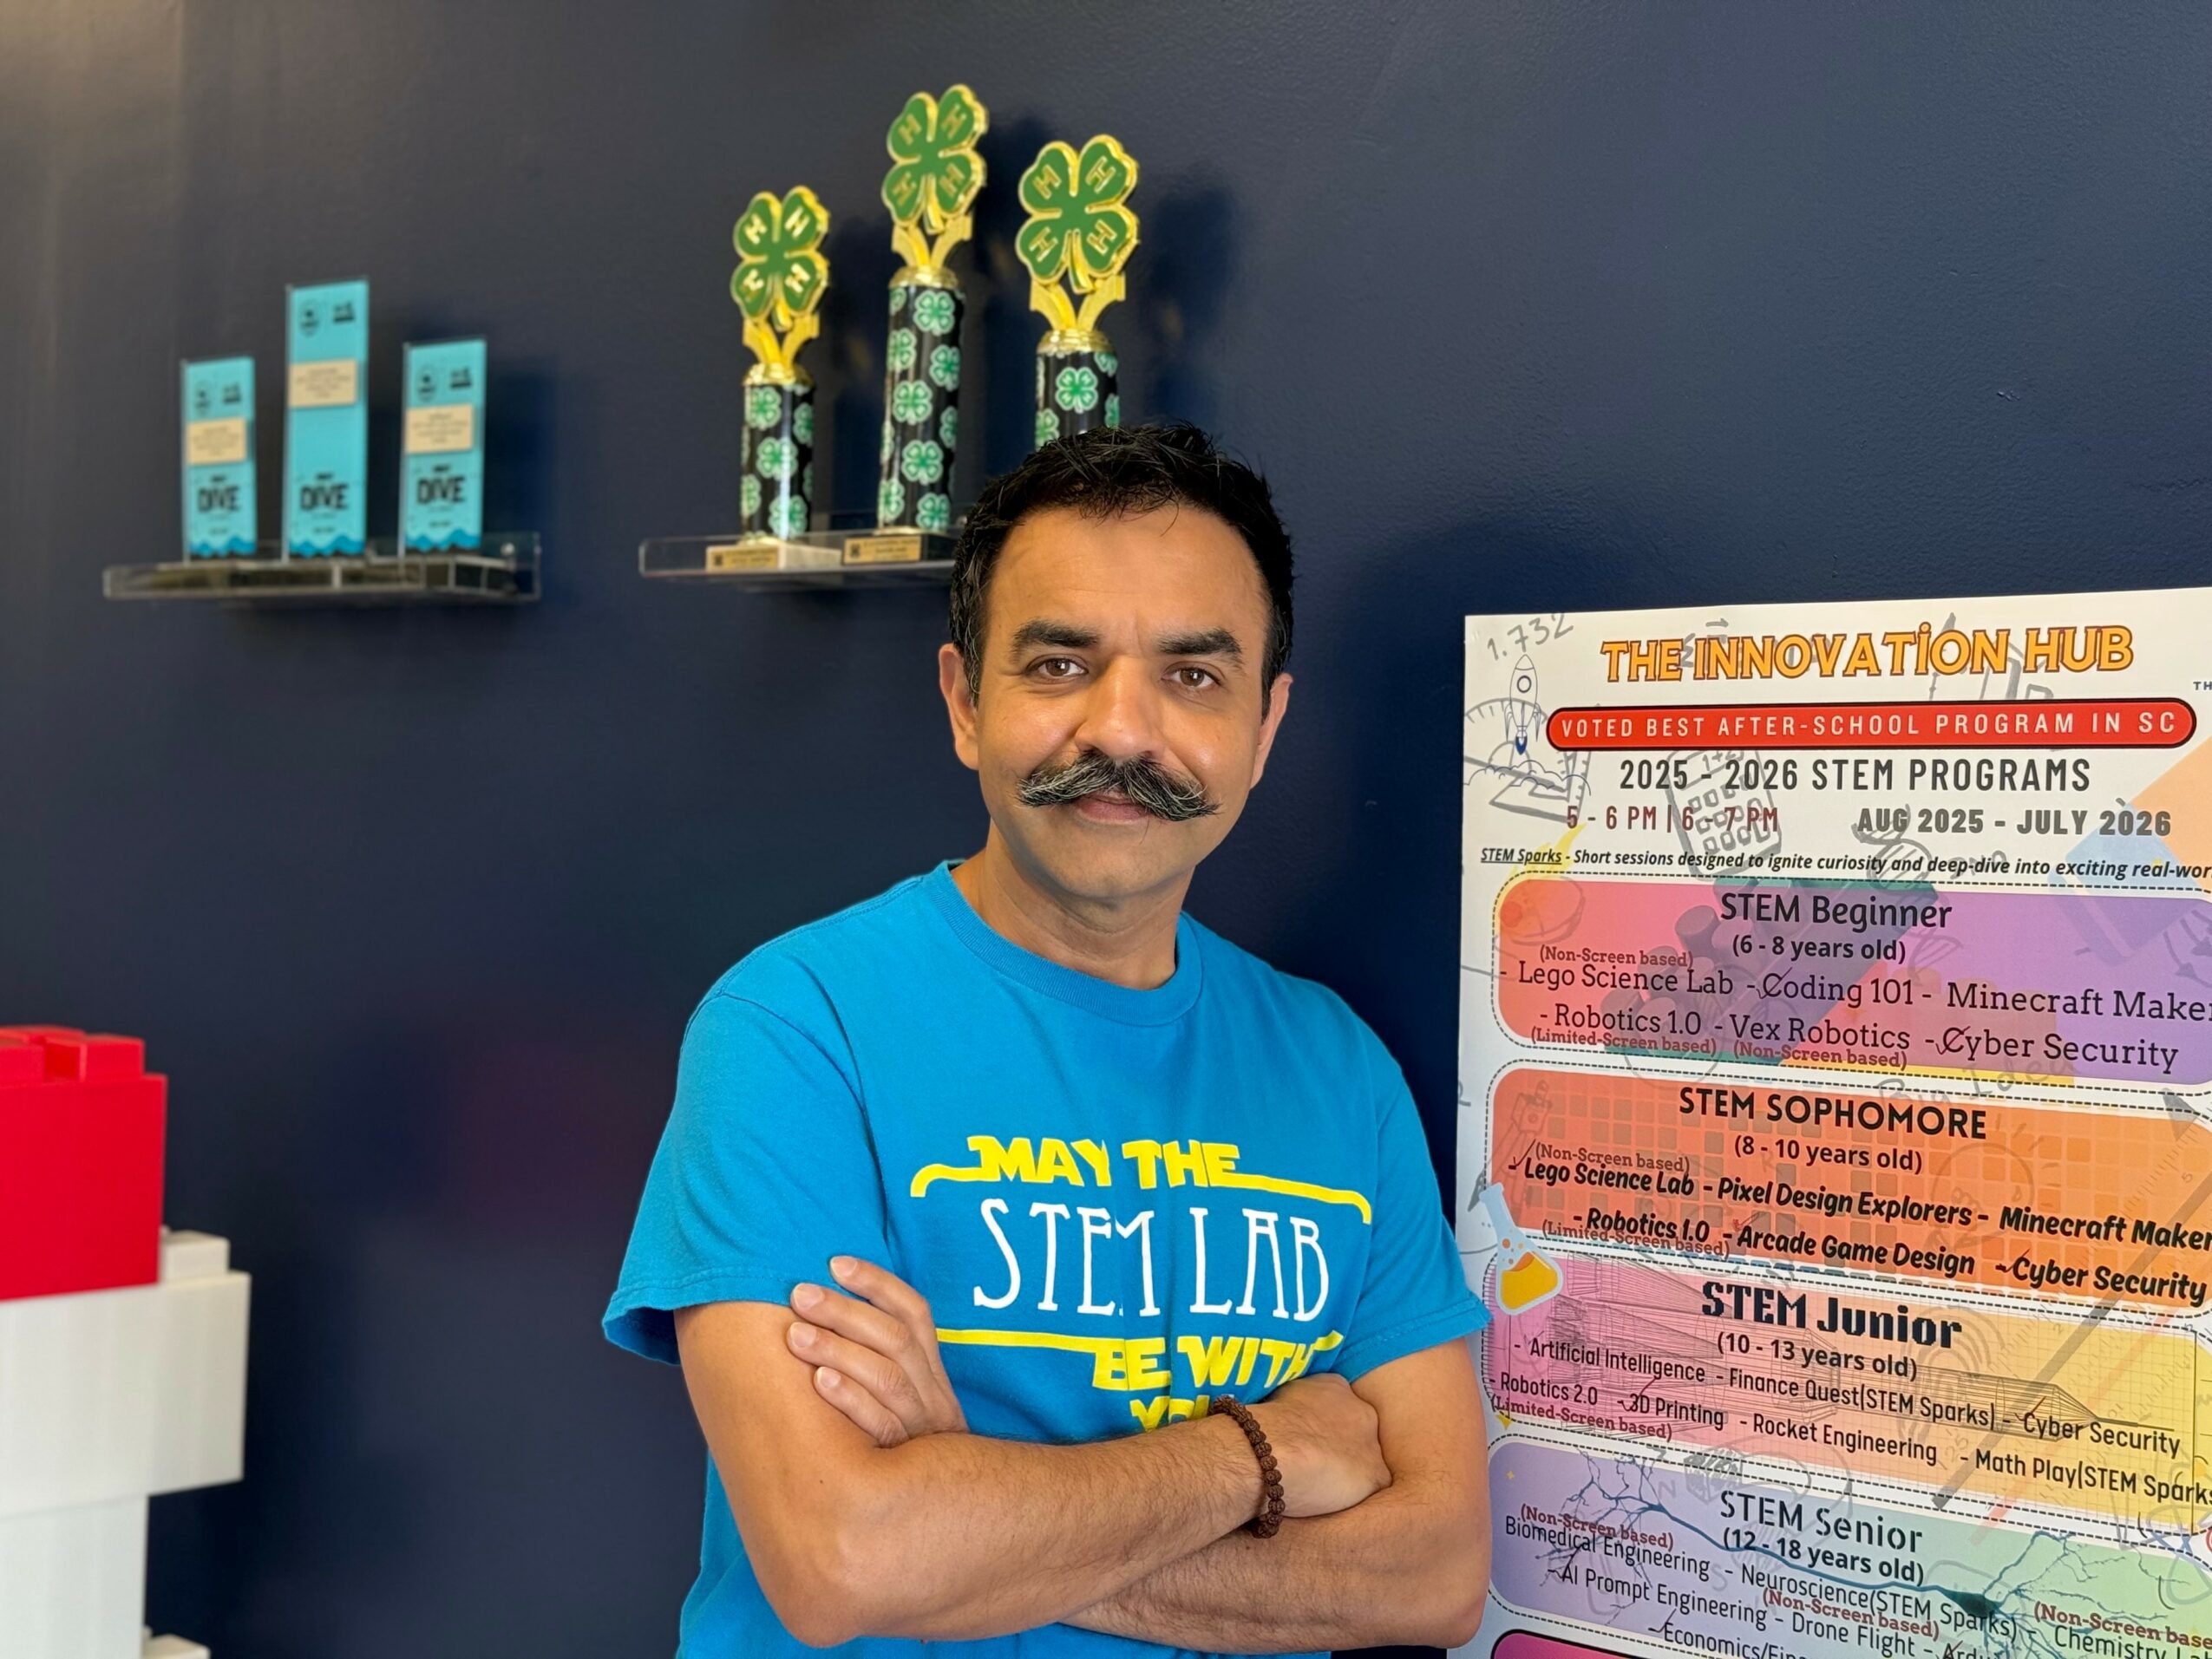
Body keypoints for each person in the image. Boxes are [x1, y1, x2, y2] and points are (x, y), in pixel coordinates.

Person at [605, 423, 1491, 1656]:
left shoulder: (1336, 1066)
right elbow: (843, 1557)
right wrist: (1260, 1453)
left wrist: (961, 1489)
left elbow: (1433, 1574)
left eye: (1193, 675)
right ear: (967, 701)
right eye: (1061, 664)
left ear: (1264, 728)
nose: (1122, 732)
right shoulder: (794, 1028)